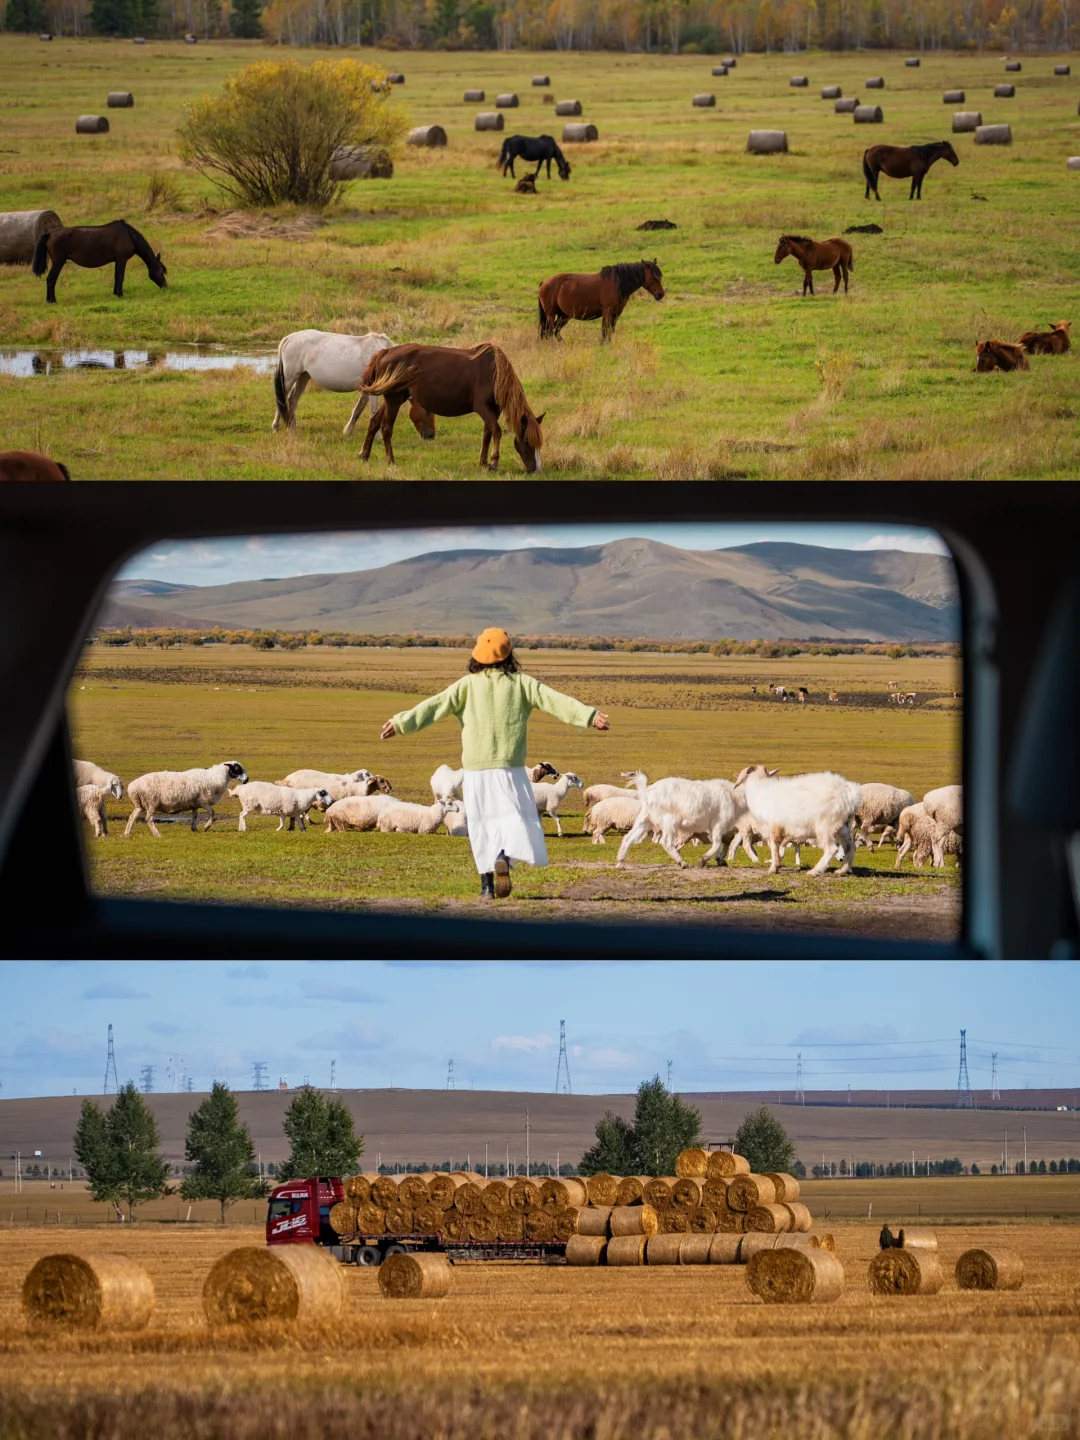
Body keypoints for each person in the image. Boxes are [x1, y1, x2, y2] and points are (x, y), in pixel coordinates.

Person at [381, 627, 609, 898]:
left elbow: (433, 706)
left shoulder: (466, 686)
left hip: (476, 771)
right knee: (511, 818)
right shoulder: (522, 683)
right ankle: (504, 856)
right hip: (510, 769)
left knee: (480, 825)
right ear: (508, 654)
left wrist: (400, 723)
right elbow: (555, 701)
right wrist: (589, 715)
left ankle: (487, 886)